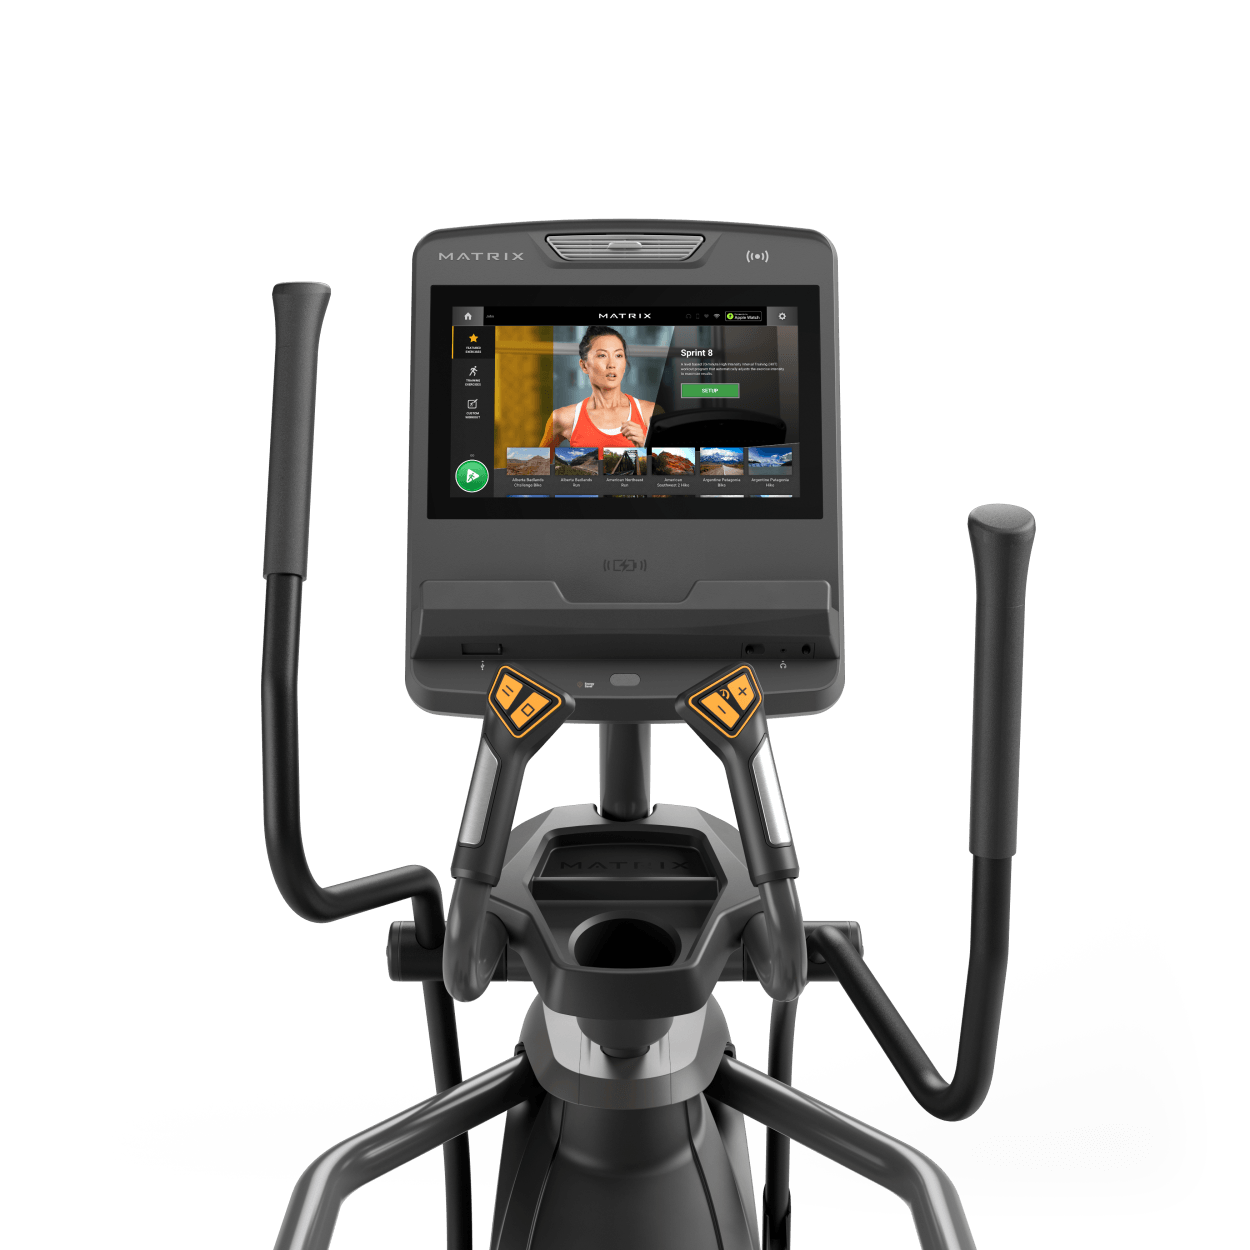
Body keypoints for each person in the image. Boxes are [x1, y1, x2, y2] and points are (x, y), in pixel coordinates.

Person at [540, 327, 655, 449]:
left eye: (618, 355)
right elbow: (537, 460)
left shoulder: (650, 413)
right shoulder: (563, 418)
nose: (612, 364)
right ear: (584, 366)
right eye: (602, 355)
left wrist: (644, 446)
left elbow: (667, 461)